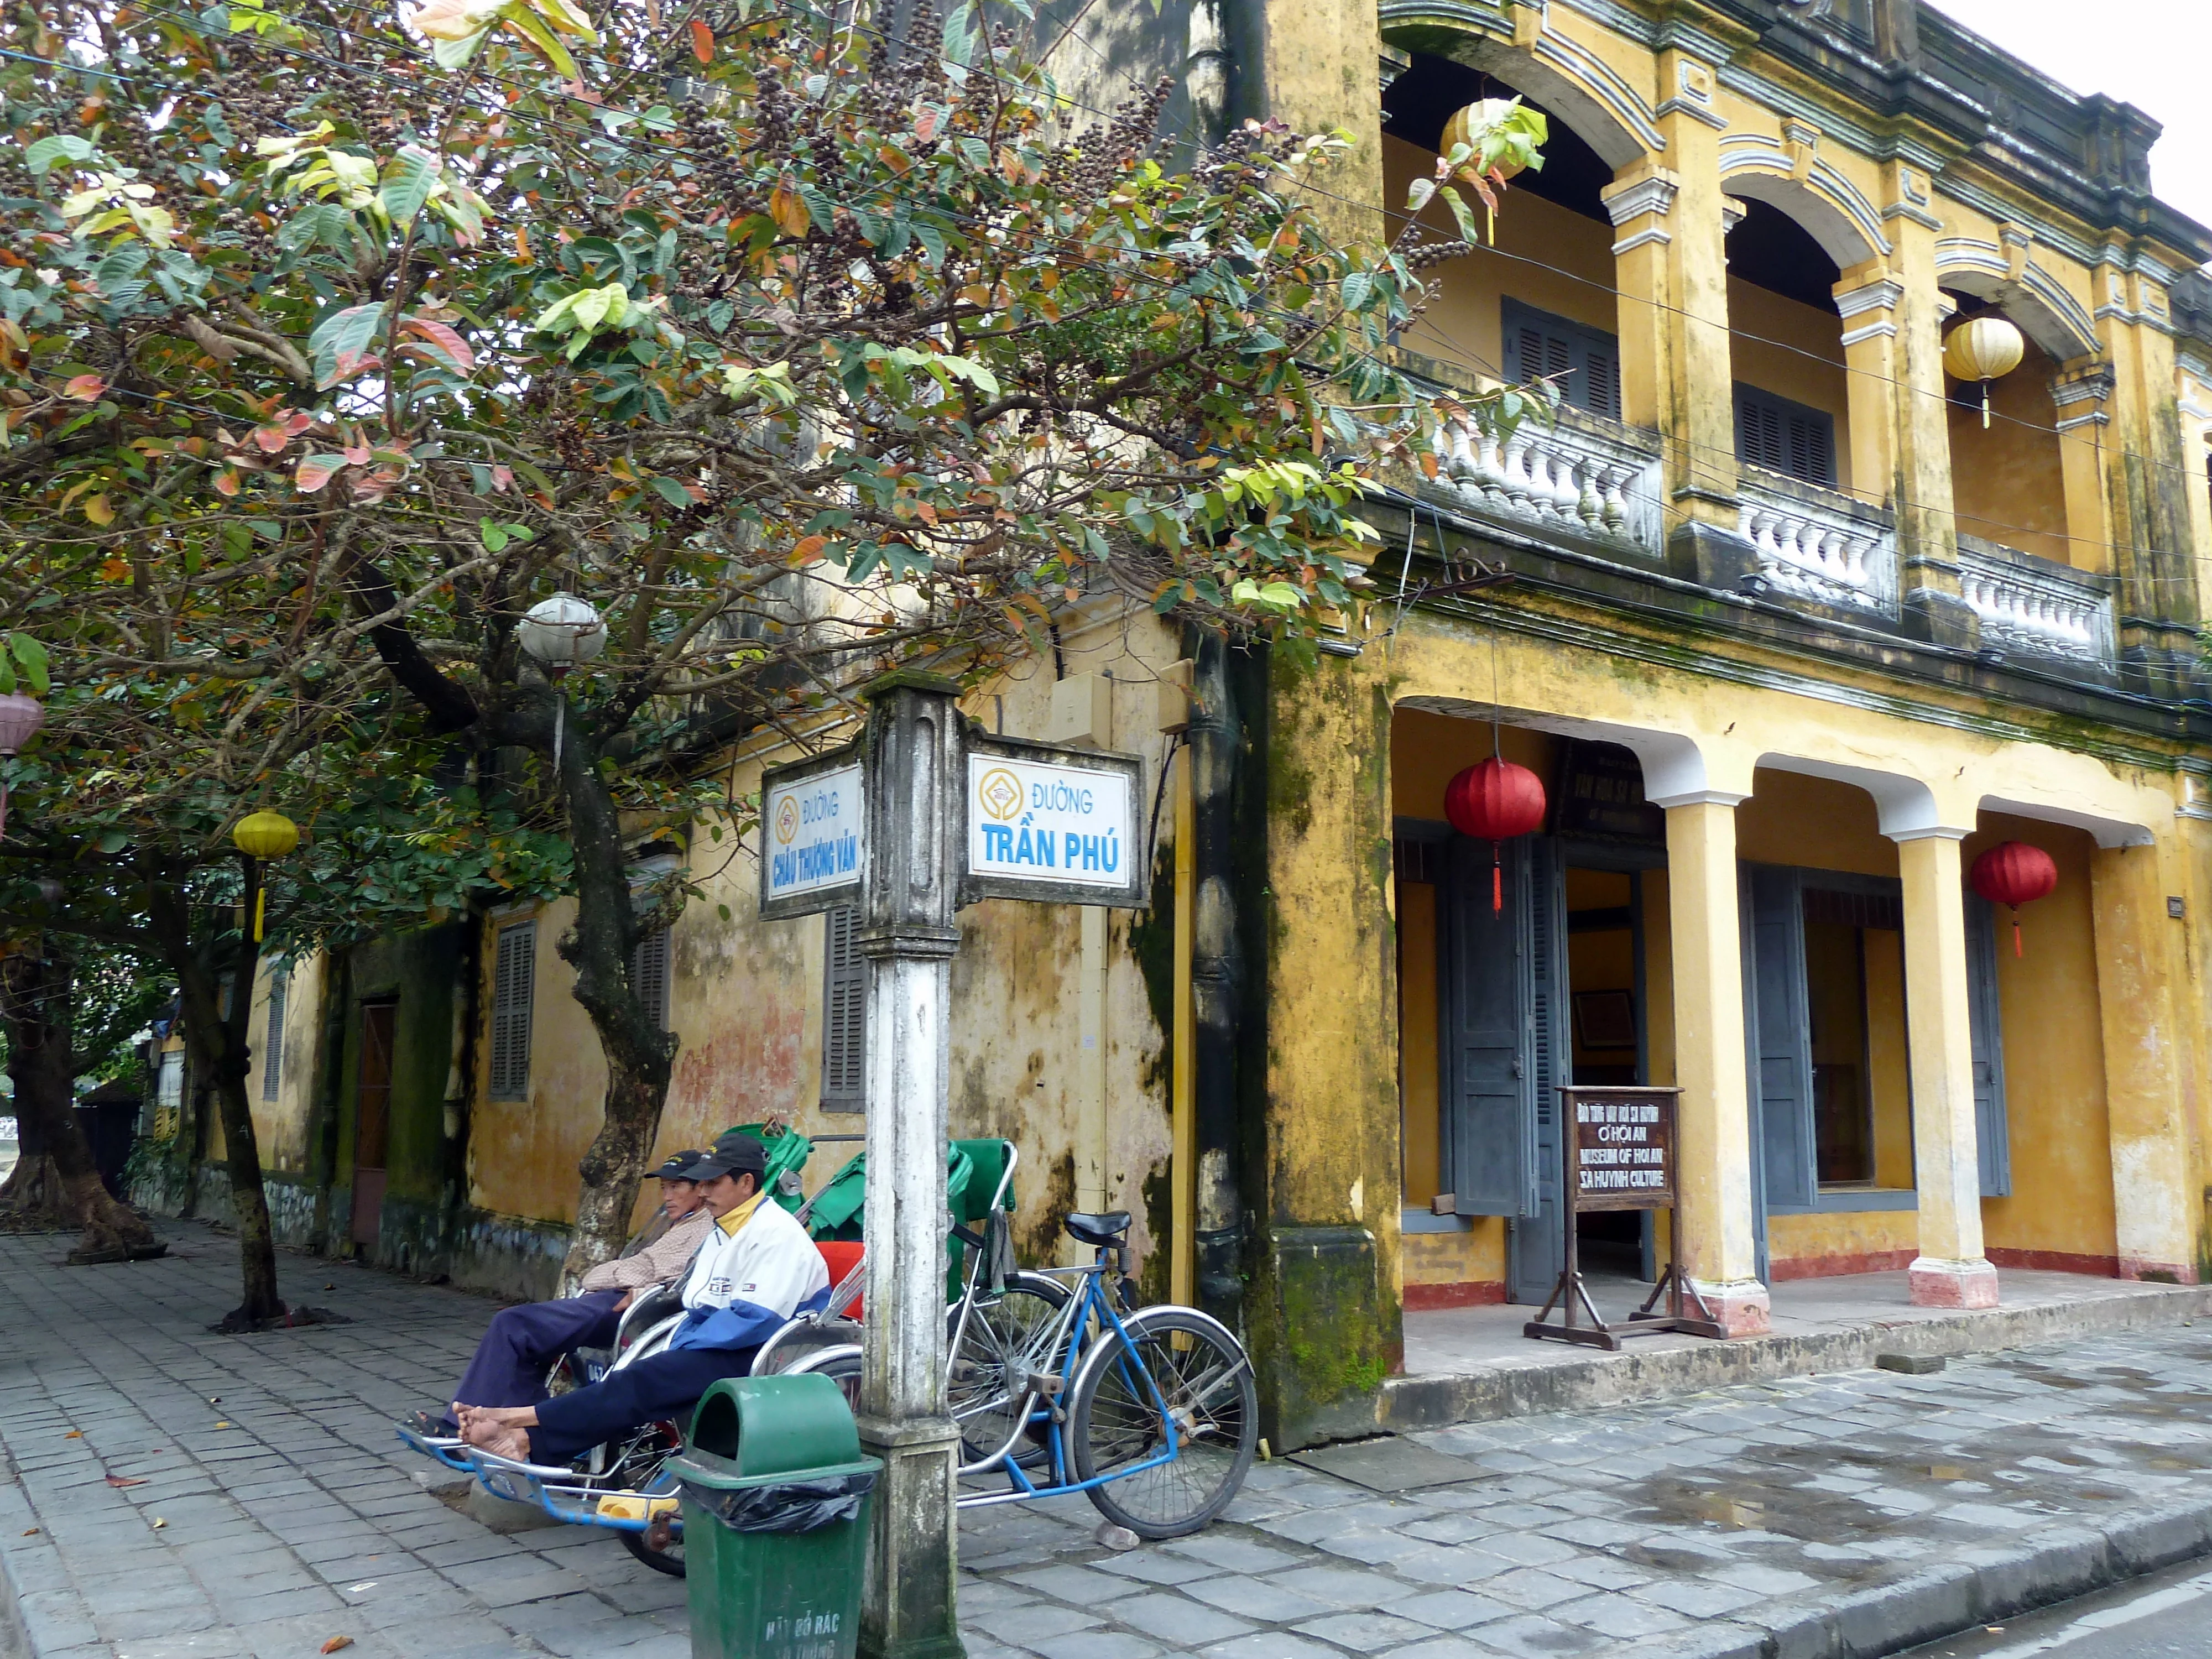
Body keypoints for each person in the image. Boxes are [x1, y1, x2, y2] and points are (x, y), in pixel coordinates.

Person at [455, 1130, 830, 1467]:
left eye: (713, 1183)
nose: (703, 1193)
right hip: (719, 1339)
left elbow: (754, 1318)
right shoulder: (724, 1227)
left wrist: (683, 1345)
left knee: (643, 1379)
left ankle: (517, 1421)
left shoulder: (775, 1233)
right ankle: (524, 1436)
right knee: (629, 1375)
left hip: (763, 1349)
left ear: (746, 1182)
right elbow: (696, 1300)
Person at [408, 1150, 713, 1438]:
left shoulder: (702, 1227)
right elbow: (635, 1267)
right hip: (615, 1300)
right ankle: (522, 1432)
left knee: (513, 1324)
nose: (667, 1196)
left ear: (701, 1189)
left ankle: (457, 1426)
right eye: (664, 1188)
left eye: (676, 1187)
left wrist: (613, 1277)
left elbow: (647, 1271)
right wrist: (618, 1275)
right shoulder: (677, 1223)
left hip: (632, 1312)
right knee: (528, 1343)